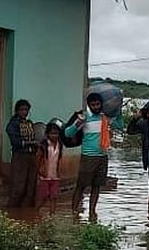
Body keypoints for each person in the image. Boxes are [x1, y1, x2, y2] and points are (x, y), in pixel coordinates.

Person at [65, 92, 112, 222]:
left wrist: (117, 113)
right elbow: (68, 133)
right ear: (89, 105)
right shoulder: (84, 117)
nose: (96, 107)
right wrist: (78, 123)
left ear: (101, 104)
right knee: (81, 185)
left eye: (98, 104)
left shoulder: (105, 117)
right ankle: (74, 213)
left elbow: (119, 125)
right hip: (88, 157)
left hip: (103, 156)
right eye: (93, 105)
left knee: (97, 186)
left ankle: (92, 212)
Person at [5, 99, 37, 208]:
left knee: (31, 183)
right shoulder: (13, 124)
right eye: (22, 110)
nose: (24, 112)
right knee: (18, 184)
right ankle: (13, 209)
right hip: (20, 156)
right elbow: (15, 142)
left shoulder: (29, 123)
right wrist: (31, 143)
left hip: (31, 156)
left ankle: (26, 209)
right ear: (17, 111)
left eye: (26, 110)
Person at [35, 122, 70, 215]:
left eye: (56, 133)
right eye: (52, 133)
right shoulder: (43, 145)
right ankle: (36, 211)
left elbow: (60, 158)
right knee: (44, 196)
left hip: (55, 175)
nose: (54, 136)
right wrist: (39, 171)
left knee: (54, 196)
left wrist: (60, 171)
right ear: (47, 134)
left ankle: (52, 215)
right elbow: (38, 159)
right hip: (45, 175)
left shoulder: (60, 145)